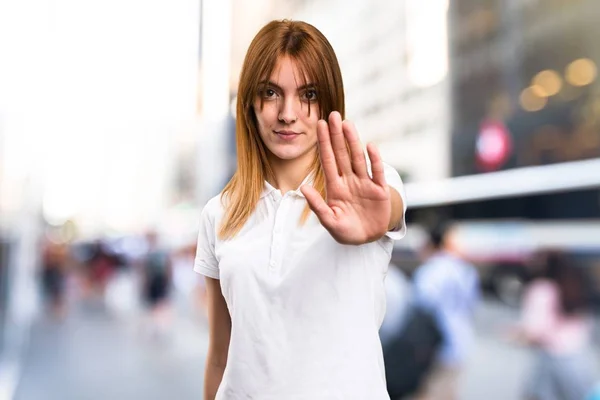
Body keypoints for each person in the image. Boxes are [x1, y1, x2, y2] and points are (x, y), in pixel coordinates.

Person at [194, 19, 407, 399]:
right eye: (271, 92)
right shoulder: (218, 212)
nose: (287, 113)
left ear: (329, 101)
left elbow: (387, 207)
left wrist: (380, 218)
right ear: (249, 103)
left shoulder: (367, 187)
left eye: (308, 94)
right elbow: (219, 357)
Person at [509, 250, 595, 400]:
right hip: (577, 360)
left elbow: (533, 331)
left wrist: (513, 334)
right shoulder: (573, 286)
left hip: (550, 360)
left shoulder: (541, 289)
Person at [411, 222, 479, 400]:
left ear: (431, 244)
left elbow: (422, 309)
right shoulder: (466, 269)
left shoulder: (429, 271)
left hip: (436, 346)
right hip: (461, 341)